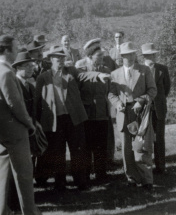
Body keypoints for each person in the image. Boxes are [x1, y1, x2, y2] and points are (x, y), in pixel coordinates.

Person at [34, 46, 110, 191]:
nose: (61, 61)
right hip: (55, 121)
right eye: (58, 58)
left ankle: (81, 181)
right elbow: (38, 100)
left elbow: (85, 75)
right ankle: (60, 183)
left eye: (63, 58)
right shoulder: (43, 78)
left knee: (78, 150)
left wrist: (98, 76)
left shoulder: (71, 71)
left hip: (74, 118)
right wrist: (36, 120)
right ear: (50, 60)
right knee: (57, 152)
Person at [0, 35, 41, 215]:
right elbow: (15, 105)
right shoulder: (7, 73)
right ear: (7, 50)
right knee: (24, 175)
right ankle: (29, 212)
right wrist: (30, 124)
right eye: (15, 48)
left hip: (3, 133)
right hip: (15, 132)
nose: (17, 51)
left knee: (2, 176)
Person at [108, 42, 157, 190]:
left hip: (140, 114)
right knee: (127, 149)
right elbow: (111, 94)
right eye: (127, 54)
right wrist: (117, 103)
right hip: (123, 114)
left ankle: (147, 180)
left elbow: (152, 90)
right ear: (122, 56)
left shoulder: (144, 70)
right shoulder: (114, 74)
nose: (130, 56)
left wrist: (140, 101)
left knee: (141, 146)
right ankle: (131, 179)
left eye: (132, 53)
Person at [76, 38, 117, 169]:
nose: (102, 58)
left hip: (102, 113)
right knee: (87, 144)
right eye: (99, 56)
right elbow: (79, 82)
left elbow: (111, 91)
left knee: (101, 144)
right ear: (90, 56)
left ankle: (101, 172)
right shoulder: (81, 69)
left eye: (103, 55)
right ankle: (87, 173)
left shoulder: (106, 70)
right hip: (87, 113)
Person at [141, 43, 171, 174]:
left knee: (159, 138)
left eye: (154, 54)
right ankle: (145, 166)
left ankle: (161, 166)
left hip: (159, 108)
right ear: (144, 56)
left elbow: (167, 88)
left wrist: (158, 100)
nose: (152, 57)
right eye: (149, 55)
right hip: (143, 109)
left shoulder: (162, 69)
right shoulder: (139, 69)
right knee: (143, 138)